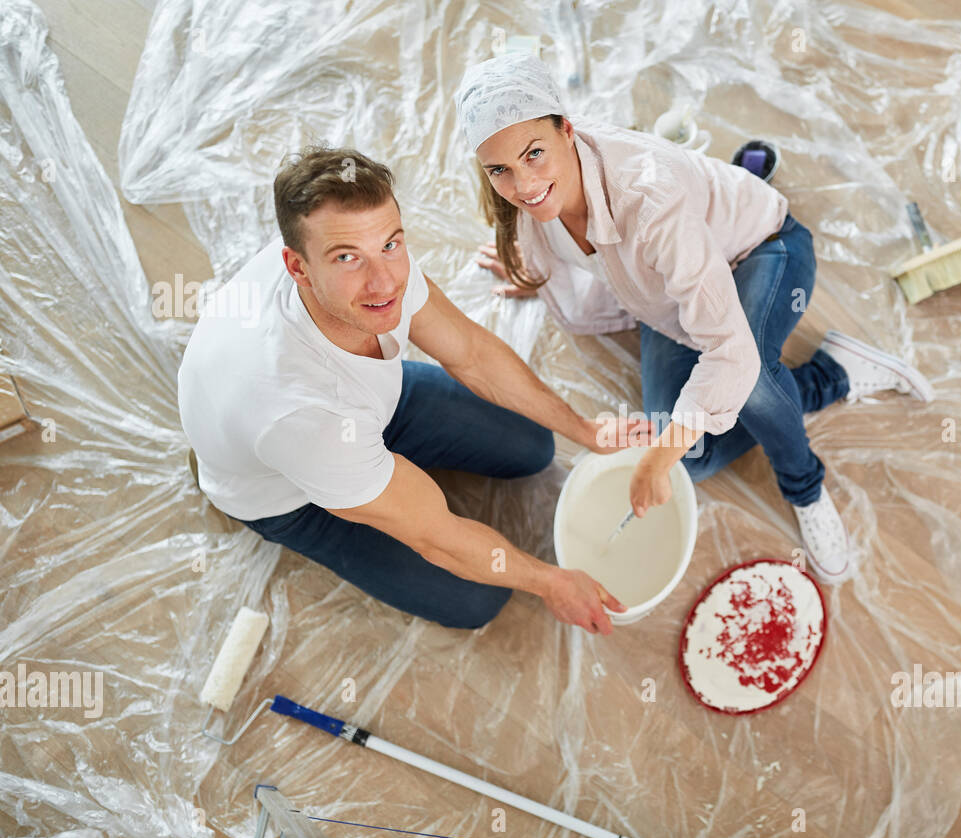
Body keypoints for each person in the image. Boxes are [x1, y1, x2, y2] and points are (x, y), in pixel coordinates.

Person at [456, 53, 934, 584]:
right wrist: (533, 266)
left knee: (746, 383)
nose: (523, 186)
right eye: (501, 170)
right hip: (673, 302)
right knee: (692, 458)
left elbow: (729, 350)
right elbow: (549, 232)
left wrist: (654, 458)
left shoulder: (648, 197)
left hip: (761, 252)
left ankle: (804, 484)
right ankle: (831, 374)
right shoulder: (528, 211)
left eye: (534, 155)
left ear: (567, 130)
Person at [177, 146, 651, 634]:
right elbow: (438, 538)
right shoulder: (302, 417)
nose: (385, 282)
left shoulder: (367, 267)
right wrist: (551, 581)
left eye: (391, 243)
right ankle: (235, 469)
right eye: (347, 258)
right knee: (478, 598)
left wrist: (586, 429)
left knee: (532, 443)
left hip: (364, 408)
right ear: (297, 268)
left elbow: (470, 351)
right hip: (292, 489)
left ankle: (372, 460)